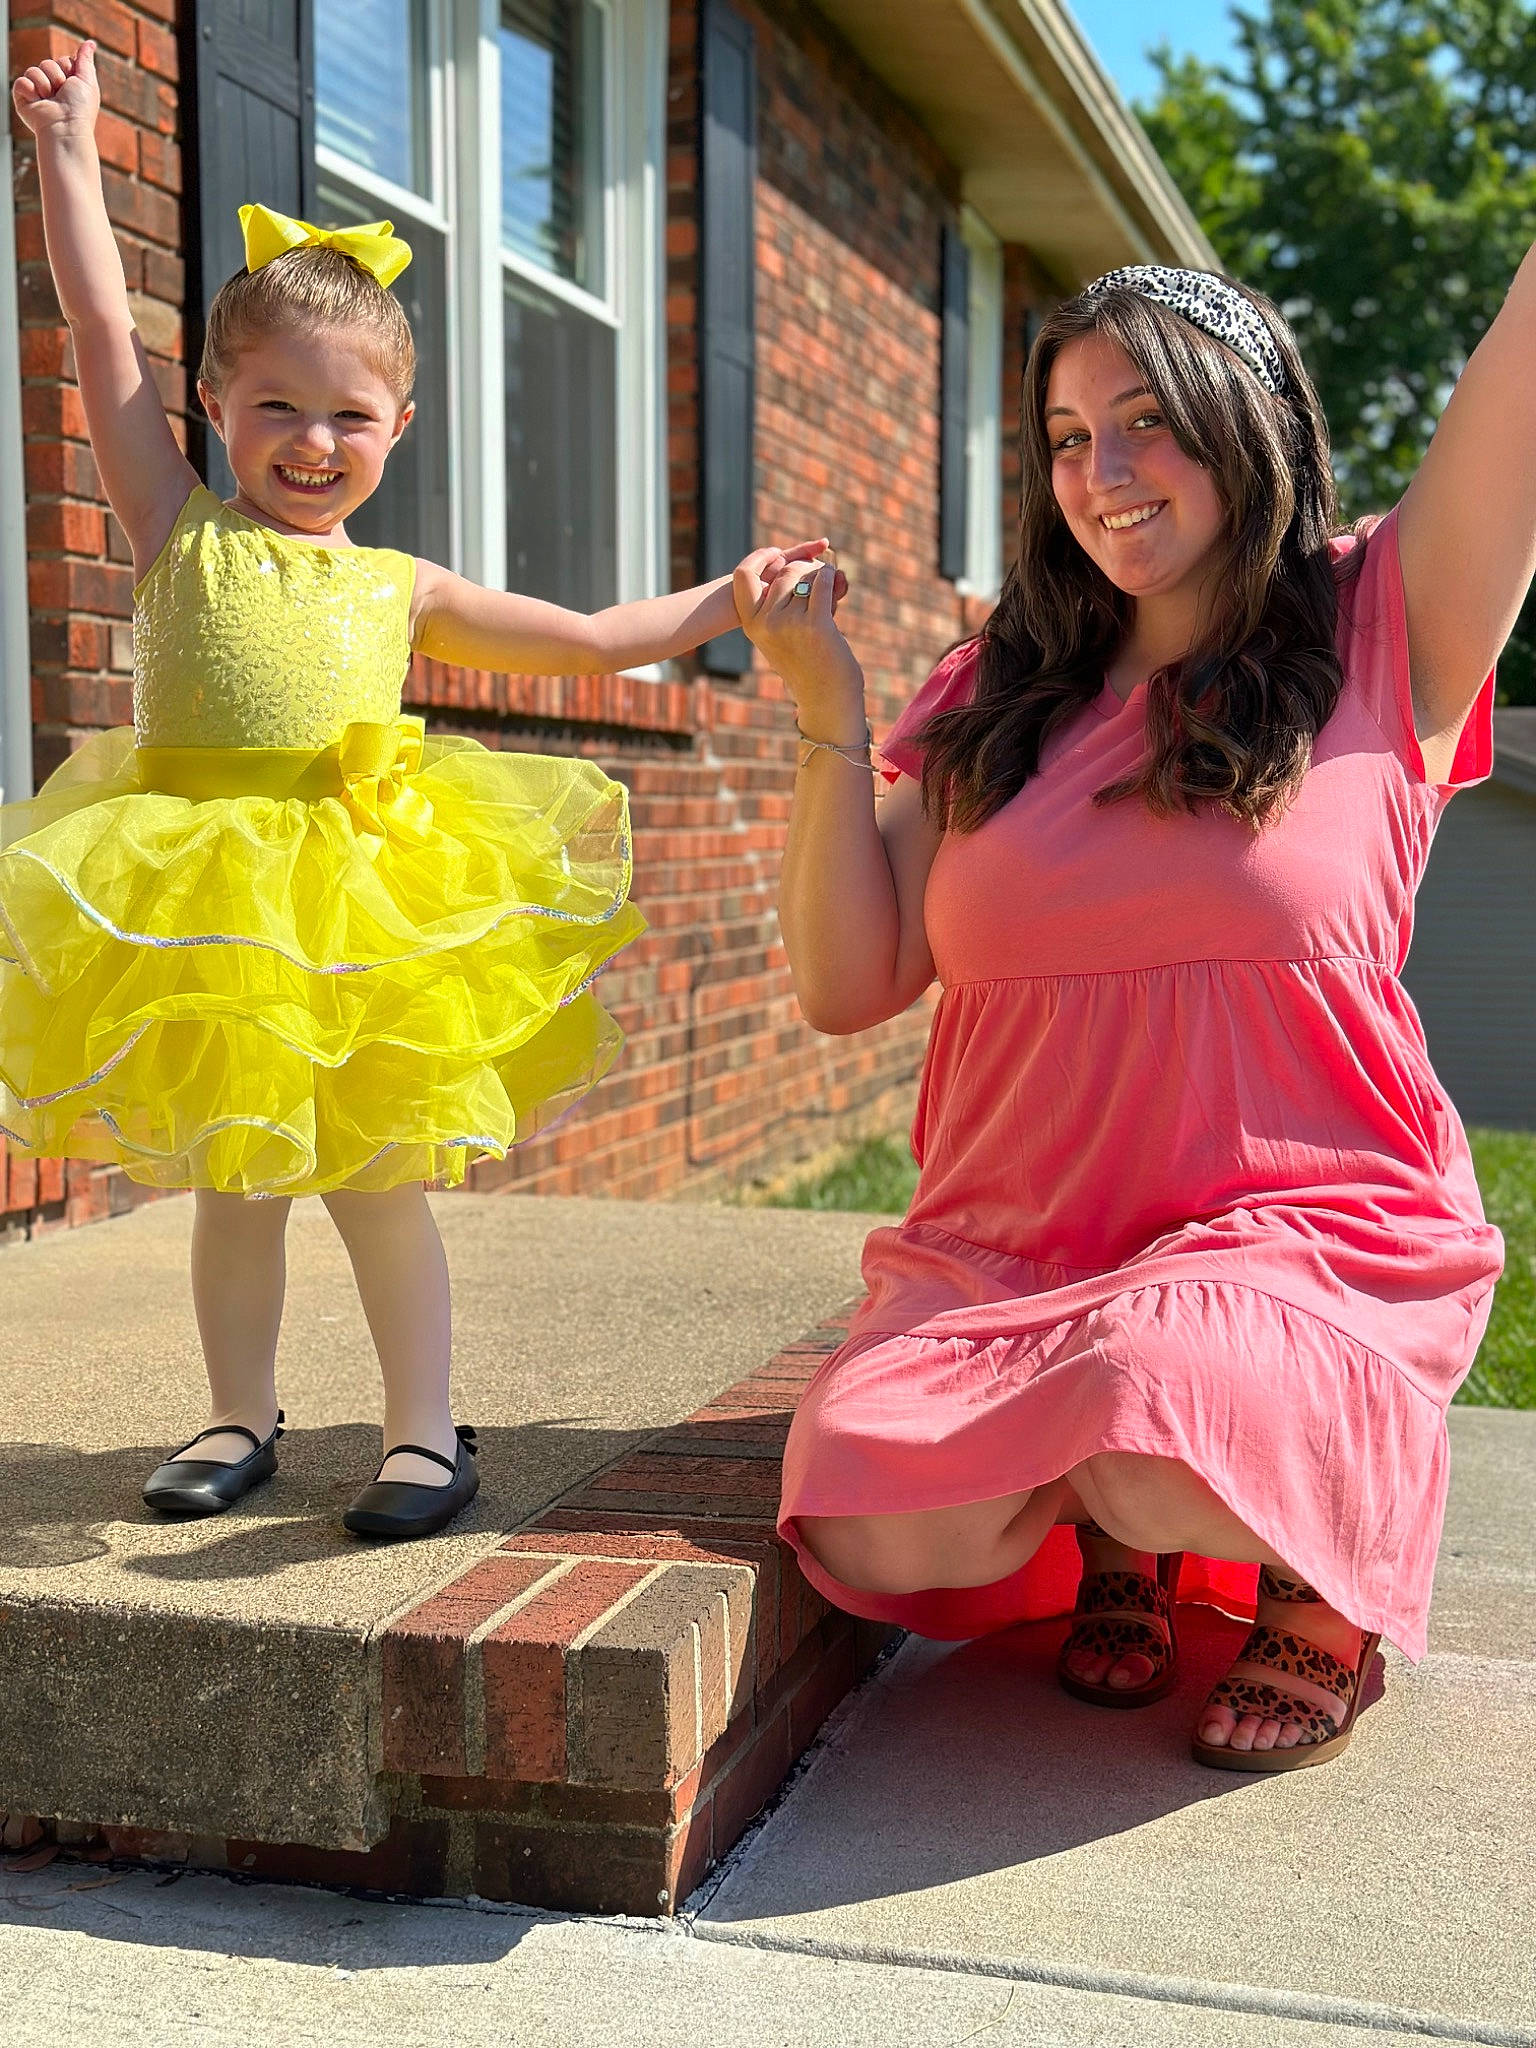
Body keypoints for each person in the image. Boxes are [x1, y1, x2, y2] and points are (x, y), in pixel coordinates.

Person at [1, 41, 839, 1541]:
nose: (311, 445)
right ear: (213, 401)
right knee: (236, 1180)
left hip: (356, 900)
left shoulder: (403, 586)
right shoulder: (170, 526)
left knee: (378, 1180)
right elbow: (93, 330)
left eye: (348, 417)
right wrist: (71, 146)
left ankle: (423, 1435)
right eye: (274, 409)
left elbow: (589, 641)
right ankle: (235, 1416)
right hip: (204, 902)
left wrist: (728, 596)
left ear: (398, 428)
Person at [733, 253, 1528, 1770]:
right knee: (863, 1497)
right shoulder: (995, 690)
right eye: (1069, 436)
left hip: (1300, 1237)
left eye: (1151, 419)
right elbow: (848, 985)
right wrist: (827, 705)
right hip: (1011, 1246)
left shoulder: (1384, 623)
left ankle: (1310, 1600)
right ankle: (1120, 1525)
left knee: (1172, 1391)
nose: (1106, 473)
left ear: (1251, 422)